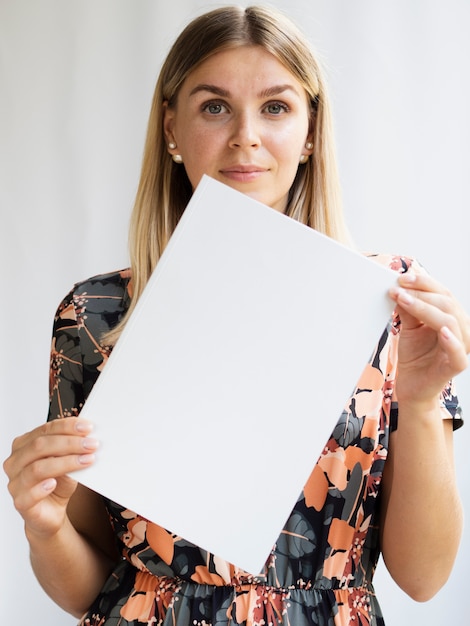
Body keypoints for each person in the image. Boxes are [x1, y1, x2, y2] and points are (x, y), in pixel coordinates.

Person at [4, 5, 469, 626]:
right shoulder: (96, 316)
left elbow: (425, 578)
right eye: (214, 106)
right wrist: (43, 526)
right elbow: (85, 587)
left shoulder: (390, 306)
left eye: (275, 107)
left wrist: (420, 397)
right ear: (171, 128)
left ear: (309, 132)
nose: (245, 135)